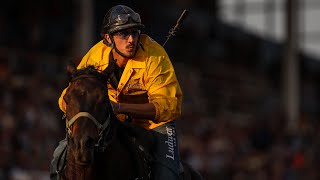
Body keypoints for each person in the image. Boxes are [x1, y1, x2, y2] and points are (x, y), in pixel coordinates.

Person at [50, 4, 183, 180]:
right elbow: (66, 98)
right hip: (111, 120)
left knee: (167, 176)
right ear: (108, 37)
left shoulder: (155, 56)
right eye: (123, 34)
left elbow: (170, 106)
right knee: (58, 158)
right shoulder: (96, 56)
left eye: (134, 33)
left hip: (156, 125)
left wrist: (120, 107)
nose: (131, 40)